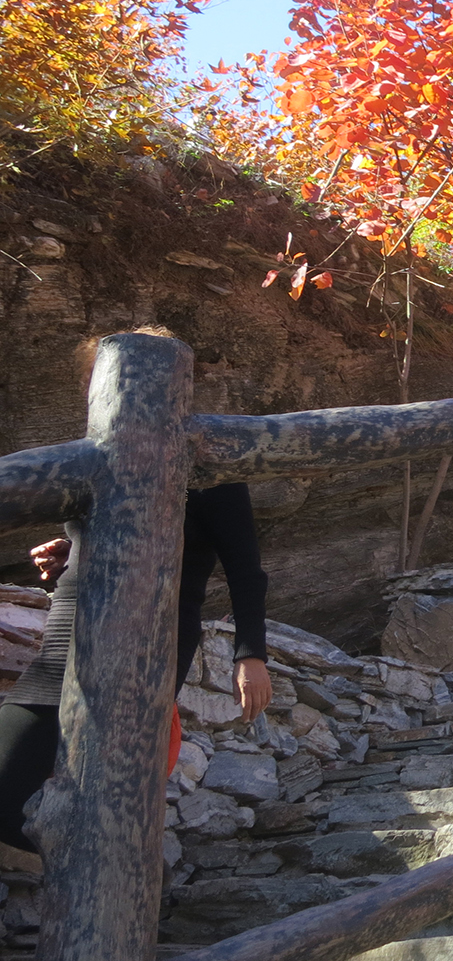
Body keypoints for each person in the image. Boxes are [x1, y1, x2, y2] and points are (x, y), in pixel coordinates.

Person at [0, 329, 272, 856]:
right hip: (64, 644)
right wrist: (72, 553)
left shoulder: (209, 471)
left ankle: (120, 899)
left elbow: (245, 570)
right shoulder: (90, 461)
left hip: (146, 647)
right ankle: (100, 869)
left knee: (107, 790)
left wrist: (251, 655)